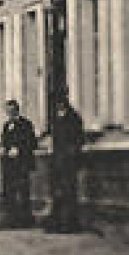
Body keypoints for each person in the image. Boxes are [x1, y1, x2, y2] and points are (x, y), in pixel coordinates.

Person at [47, 97, 86, 233]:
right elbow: (54, 139)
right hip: (57, 160)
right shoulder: (56, 119)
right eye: (57, 105)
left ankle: (70, 224)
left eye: (60, 104)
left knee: (69, 192)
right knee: (56, 192)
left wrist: (72, 152)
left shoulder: (73, 118)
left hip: (69, 161)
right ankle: (56, 223)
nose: (59, 107)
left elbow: (79, 139)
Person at [0, 100, 38, 227]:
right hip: (9, 163)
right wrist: (4, 148)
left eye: (12, 110)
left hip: (22, 163)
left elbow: (32, 143)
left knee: (23, 191)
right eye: (8, 111)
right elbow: (4, 141)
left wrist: (19, 150)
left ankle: (25, 220)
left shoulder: (26, 124)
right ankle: (12, 219)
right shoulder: (6, 125)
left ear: (17, 110)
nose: (10, 113)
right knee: (10, 191)